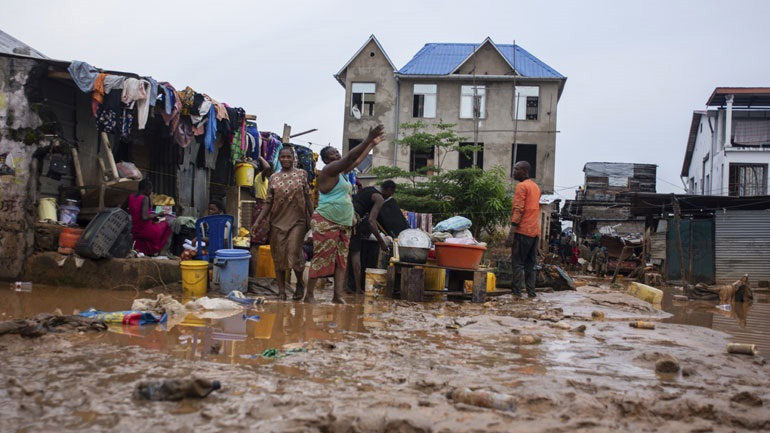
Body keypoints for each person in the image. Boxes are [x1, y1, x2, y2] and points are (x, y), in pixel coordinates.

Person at [304, 124, 386, 304]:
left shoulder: (340, 174)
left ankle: (337, 296)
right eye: (333, 153)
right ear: (326, 159)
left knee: (342, 260)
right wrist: (367, 139)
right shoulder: (328, 171)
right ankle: (309, 295)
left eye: (337, 153)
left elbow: (355, 162)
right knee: (322, 258)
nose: (338, 155)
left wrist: (371, 144)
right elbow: (351, 156)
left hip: (344, 222)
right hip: (326, 220)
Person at [250, 147, 314, 300]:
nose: (285, 159)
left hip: (297, 221)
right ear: (279, 159)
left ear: (294, 159)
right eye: (283, 157)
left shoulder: (301, 174)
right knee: (278, 257)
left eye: (288, 157)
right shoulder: (274, 177)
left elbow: (308, 198)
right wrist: (257, 222)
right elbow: (268, 202)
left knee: (293, 253)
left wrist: (313, 219)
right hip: (277, 221)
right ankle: (281, 291)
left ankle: (299, 283)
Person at [350, 180, 397, 293]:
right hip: (352, 221)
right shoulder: (379, 198)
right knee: (355, 255)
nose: (390, 196)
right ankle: (357, 288)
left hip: (344, 215)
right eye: (391, 193)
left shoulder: (368, 189)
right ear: (388, 190)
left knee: (345, 255)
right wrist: (381, 242)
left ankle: (345, 287)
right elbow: (372, 221)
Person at [505, 161, 541, 298]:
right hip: (534, 232)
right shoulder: (535, 187)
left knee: (518, 264)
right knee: (530, 265)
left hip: (522, 231)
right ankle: (531, 293)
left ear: (525, 171)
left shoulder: (521, 186)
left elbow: (518, 209)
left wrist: (511, 232)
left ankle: (517, 294)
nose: (513, 171)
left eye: (516, 169)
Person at [126, 179, 172, 256]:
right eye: (151, 190)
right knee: (167, 225)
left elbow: (123, 208)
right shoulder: (145, 198)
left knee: (156, 224)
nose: (151, 192)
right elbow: (144, 217)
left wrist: (134, 214)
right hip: (145, 230)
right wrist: (158, 214)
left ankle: (145, 251)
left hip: (135, 229)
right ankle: (161, 252)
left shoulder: (131, 196)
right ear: (147, 189)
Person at [250, 156, 273, 246]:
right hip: (261, 206)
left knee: (265, 236)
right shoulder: (260, 177)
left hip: (265, 206)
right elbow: (267, 167)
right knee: (258, 238)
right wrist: (260, 157)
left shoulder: (266, 179)